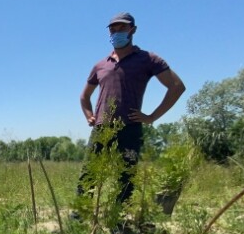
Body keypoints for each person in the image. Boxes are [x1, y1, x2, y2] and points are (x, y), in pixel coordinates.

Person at [77, 12, 186, 206]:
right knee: (89, 174)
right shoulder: (100, 65)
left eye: (122, 28)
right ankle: (79, 219)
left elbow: (177, 87)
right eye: (113, 28)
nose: (117, 32)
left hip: (129, 127)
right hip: (101, 129)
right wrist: (89, 116)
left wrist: (152, 116)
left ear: (132, 30)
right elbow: (84, 96)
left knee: (125, 177)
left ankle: (119, 221)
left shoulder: (148, 59)